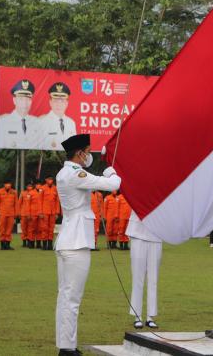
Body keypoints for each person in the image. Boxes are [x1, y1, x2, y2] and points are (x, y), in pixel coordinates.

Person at [54, 134, 121, 356]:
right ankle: (67, 348)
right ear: (79, 153)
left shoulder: (64, 173)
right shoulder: (75, 174)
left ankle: (66, 345)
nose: (89, 155)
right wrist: (110, 168)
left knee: (65, 297)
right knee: (72, 299)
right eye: (87, 151)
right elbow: (113, 185)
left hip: (67, 240)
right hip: (76, 243)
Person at [127, 212, 163, 329]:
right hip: (138, 232)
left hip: (156, 234)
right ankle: (137, 316)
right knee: (138, 278)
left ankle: (150, 317)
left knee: (153, 279)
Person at [0, 79, 42, 149]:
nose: (25, 103)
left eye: (28, 99)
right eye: (21, 99)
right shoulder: (3, 122)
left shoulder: (38, 122)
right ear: (14, 100)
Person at [40, 82, 77, 150]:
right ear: (50, 102)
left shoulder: (71, 123)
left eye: (62, 101)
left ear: (67, 103)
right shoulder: (42, 122)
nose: (59, 104)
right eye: (56, 101)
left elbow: (74, 146)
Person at [0, 181, 19, 250]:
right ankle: (2, 245)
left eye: (9, 183)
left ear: (11, 184)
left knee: (9, 229)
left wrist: (16, 214)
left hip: (11, 213)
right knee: (2, 229)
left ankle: (7, 245)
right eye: (6, 183)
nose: (8, 185)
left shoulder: (14, 192)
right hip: (2, 213)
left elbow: (16, 203)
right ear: (4, 184)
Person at [42, 176, 61, 250]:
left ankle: (50, 245)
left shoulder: (55, 188)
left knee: (51, 228)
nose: (50, 180)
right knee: (44, 228)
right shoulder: (43, 188)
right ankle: (44, 245)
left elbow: (57, 201)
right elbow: (40, 201)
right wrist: (40, 212)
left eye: (51, 179)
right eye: (49, 179)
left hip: (53, 212)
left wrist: (57, 212)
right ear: (46, 180)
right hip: (45, 211)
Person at [19, 182, 34, 247]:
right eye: (28, 186)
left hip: (31, 214)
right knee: (24, 228)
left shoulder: (34, 193)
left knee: (30, 228)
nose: (29, 187)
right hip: (23, 213)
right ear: (26, 187)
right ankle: (24, 241)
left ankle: (29, 241)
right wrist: (18, 213)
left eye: (30, 186)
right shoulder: (22, 193)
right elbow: (19, 203)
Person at [30, 180, 44, 249]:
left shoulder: (43, 192)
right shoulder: (31, 193)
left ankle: (38, 243)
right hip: (33, 213)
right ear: (35, 186)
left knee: (40, 229)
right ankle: (31, 243)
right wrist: (28, 213)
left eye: (40, 184)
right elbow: (28, 204)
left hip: (41, 213)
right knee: (32, 229)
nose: (38, 186)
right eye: (37, 184)